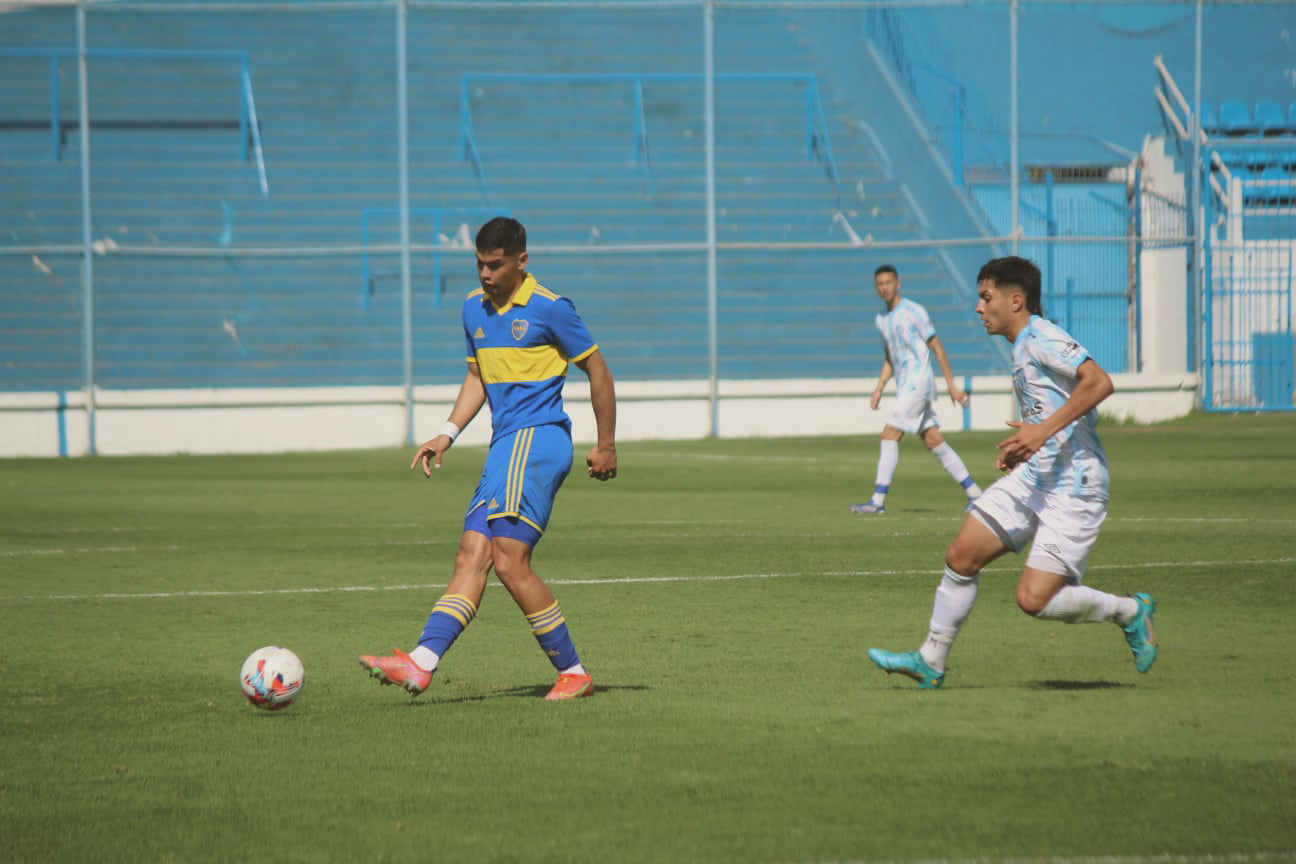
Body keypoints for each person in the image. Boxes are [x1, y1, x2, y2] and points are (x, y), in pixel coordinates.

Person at [868, 256, 1156, 689]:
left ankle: (1130, 611)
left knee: (1033, 599)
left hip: (1075, 485)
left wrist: (1040, 432)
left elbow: (1099, 382)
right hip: (1037, 475)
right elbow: (1054, 409)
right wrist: (1029, 442)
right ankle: (931, 660)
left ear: (1016, 300)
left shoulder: (1042, 336)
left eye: (986, 298)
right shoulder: (1021, 345)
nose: (979, 308)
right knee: (961, 555)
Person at [360, 217, 618, 701]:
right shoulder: (472, 310)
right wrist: (447, 434)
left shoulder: (550, 309)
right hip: (506, 445)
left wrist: (606, 444)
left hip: (536, 438)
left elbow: (598, 370)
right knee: (471, 553)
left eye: (495, 265)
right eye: (480, 263)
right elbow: (478, 378)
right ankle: (421, 663)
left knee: (507, 559)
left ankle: (574, 672)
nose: (485, 274)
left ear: (522, 261)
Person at [850, 264, 981, 514]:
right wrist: (879, 387)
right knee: (933, 440)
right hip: (905, 385)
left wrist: (951, 386)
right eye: (880, 284)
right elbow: (891, 357)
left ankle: (877, 502)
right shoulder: (882, 319)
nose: (885, 287)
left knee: (889, 434)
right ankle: (976, 494)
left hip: (918, 381)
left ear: (898, 283)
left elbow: (937, 347)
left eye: (889, 282)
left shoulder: (913, 311)